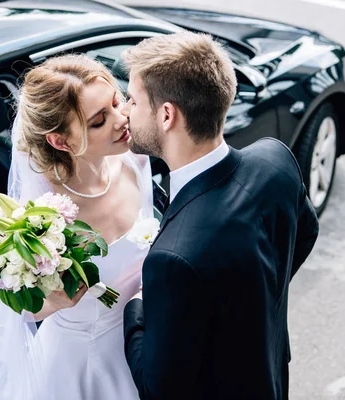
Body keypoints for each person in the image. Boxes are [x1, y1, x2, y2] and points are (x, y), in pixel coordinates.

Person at [121, 31, 320, 400]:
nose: (125, 111)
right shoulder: (276, 160)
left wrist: (135, 307)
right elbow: (306, 232)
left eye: (132, 100)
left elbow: (157, 388)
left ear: (167, 115)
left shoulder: (172, 260)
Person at [0, 54, 153, 399]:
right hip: (82, 365)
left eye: (117, 101)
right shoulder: (42, 215)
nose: (122, 119)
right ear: (61, 141)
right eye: (98, 121)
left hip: (146, 338)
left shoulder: (135, 159)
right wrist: (52, 303)